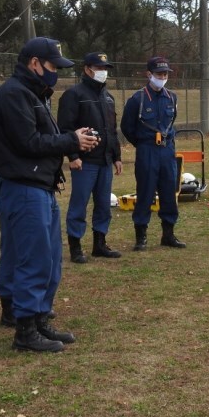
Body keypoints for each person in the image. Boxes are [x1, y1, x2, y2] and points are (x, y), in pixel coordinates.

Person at [0, 36, 100, 352]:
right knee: (34, 259)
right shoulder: (14, 95)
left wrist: (67, 142)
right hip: (24, 188)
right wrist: (71, 141)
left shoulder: (31, 93)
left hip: (37, 187)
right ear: (34, 63)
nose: (55, 73)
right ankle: (26, 330)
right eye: (51, 66)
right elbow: (29, 143)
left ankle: (36, 319)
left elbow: (37, 140)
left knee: (44, 256)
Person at [58, 52, 123, 263]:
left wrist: (116, 156)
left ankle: (100, 244)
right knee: (80, 203)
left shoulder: (108, 97)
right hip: (84, 161)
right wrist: (73, 155)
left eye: (105, 68)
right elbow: (65, 128)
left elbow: (111, 130)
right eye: (99, 68)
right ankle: (76, 246)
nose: (103, 72)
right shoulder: (74, 95)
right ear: (87, 69)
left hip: (105, 160)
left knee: (104, 204)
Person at [120, 56, 186, 251]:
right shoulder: (137, 99)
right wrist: (142, 143)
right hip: (147, 150)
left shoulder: (172, 97)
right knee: (145, 193)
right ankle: (141, 236)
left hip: (167, 150)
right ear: (149, 74)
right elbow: (127, 127)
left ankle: (168, 234)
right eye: (159, 74)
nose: (162, 77)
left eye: (165, 74)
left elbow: (171, 121)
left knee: (168, 193)